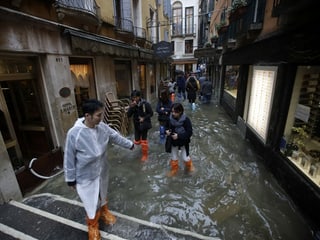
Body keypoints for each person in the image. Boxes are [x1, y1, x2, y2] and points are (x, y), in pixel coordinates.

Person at [64, 99, 134, 240]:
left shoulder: (101, 127)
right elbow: (69, 157)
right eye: (98, 115)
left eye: (101, 115)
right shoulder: (74, 133)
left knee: (102, 193)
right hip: (85, 174)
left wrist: (130, 145)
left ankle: (104, 212)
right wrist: (70, 179)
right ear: (87, 116)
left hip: (101, 169)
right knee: (91, 201)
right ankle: (92, 226)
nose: (101, 118)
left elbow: (114, 136)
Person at [165, 102, 194, 176]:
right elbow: (166, 127)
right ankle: (174, 170)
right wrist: (167, 131)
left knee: (185, 158)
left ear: (180, 112)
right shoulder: (170, 119)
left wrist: (179, 136)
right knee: (174, 158)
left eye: (175, 112)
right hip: (173, 142)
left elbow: (189, 133)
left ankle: (190, 166)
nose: (173, 114)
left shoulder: (186, 120)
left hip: (183, 142)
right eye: (172, 111)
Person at [127, 90, 153, 161]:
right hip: (137, 125)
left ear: (139, 97)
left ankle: (145, 155)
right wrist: (131, 107)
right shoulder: (133, 105)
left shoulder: (145, 104)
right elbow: (128, 115)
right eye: (133, 97)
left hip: (144, 125)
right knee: (137, 141)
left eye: (135, 97)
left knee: (144, 140)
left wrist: (144, 118)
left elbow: (151, 113)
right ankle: (140, 151)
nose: (134, 99)